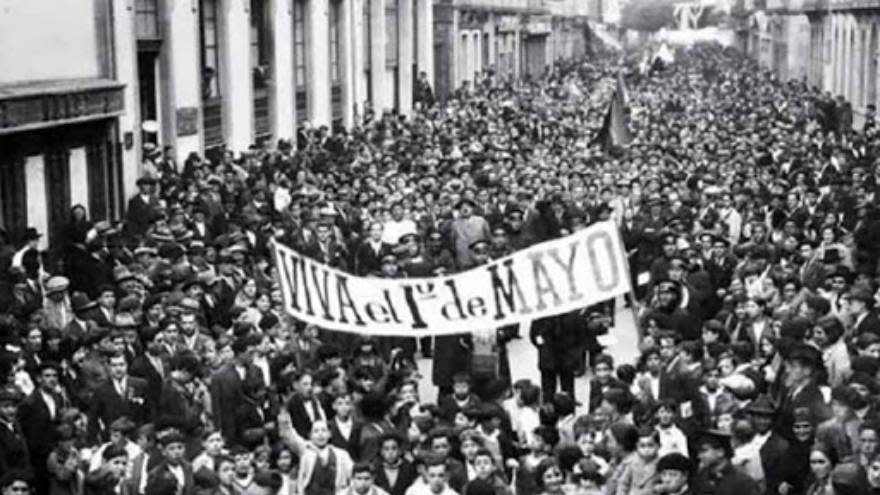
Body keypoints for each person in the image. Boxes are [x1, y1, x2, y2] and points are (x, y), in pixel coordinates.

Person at [691, 430, 759, 495]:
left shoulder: (742, 481)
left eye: (704, 451)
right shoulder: (701, 477)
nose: (699, 456)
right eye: (698, 452)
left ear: (720, 452)